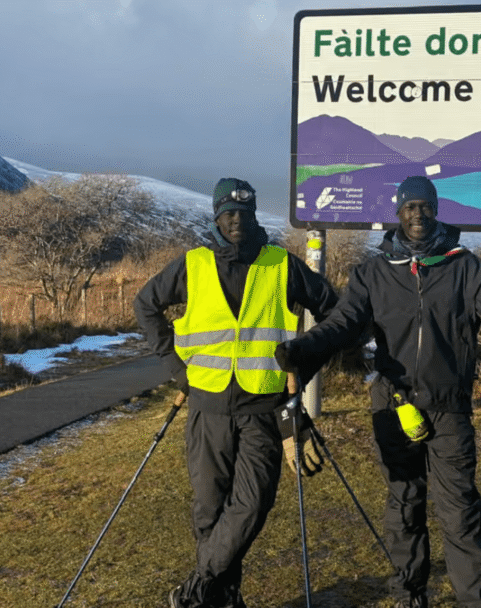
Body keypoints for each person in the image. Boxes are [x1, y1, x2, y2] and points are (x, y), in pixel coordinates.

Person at [275, 175, 481, 608]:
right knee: (404, 503)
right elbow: (342, 326)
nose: (417, 215)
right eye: (409, 207)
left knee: (459, 508)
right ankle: (408, 594)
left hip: (449, 408)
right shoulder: (372, 273)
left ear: (435, 210)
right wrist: (301, 350)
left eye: (425, 207)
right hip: (393, 406)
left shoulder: (466, 267)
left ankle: (473, 600)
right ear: (398, 213)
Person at [134, 177, 338, 608]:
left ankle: (196, 587)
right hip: (206, 408)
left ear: (254, 214)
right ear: (216, 216)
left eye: (244, 213)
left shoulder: (283, 264)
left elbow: (336, 315)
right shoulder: (192, 264)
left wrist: (302, 359)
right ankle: (223, 598)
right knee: (210, 510)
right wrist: (176, 369)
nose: (236, 220)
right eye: (227, 213)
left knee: (252, 506)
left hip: (262, 409)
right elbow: (145, 305)